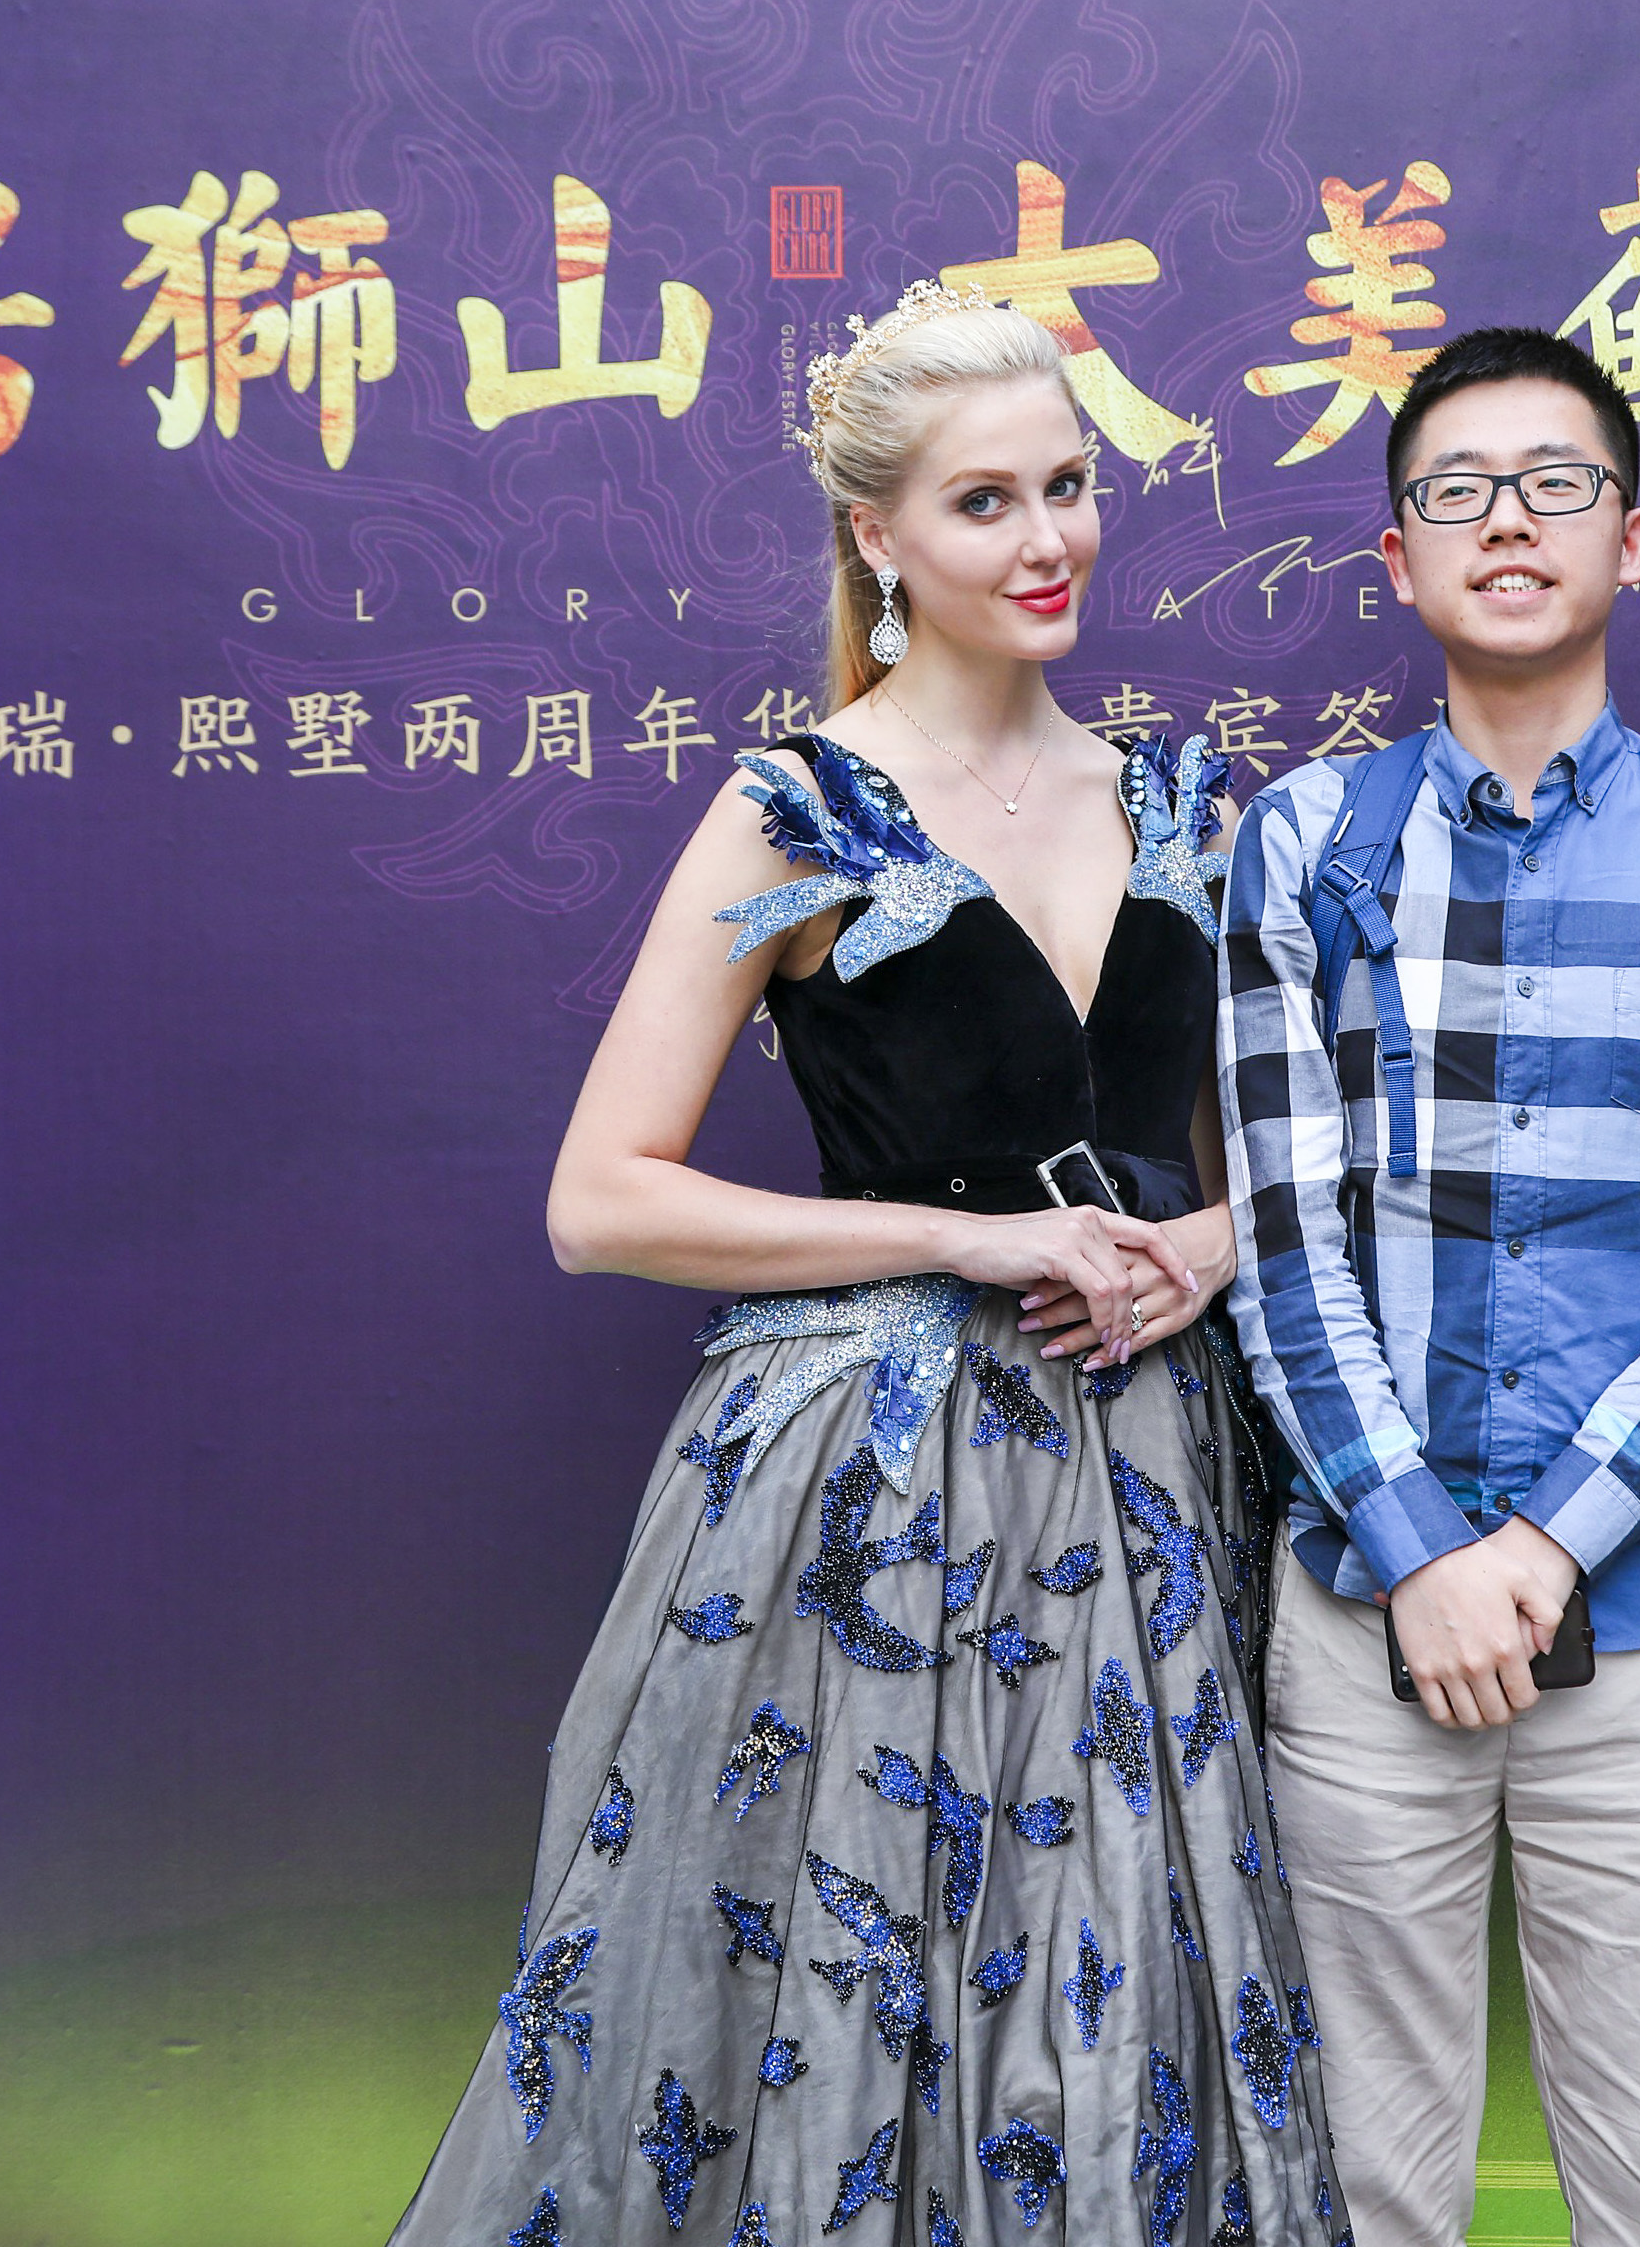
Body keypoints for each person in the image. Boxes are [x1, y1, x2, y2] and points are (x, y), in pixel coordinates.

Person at [393, 284, 1344, 2247]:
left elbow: (1278, 1169)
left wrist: (1204, 1242)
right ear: (879, 536)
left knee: (1116, 2007)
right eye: (987, 501)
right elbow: (602, 1197)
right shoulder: (798, 804)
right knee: (859, 2000)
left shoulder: (1181, 799)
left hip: (1152, 1486)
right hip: (885, 1502)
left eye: (1069, 485)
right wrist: (963, 1235)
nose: (1049, 537)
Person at [1216, 326, 1640, 2247]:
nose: (1509, 522)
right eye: (1458, 491)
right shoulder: (1306, 846)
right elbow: (1283, 1240)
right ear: (1397, 557)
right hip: (1362, 1612)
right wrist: (1421, 1549)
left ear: (1633, 540)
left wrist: (1549, 1543)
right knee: (1364, 2192)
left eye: (1558, 484)